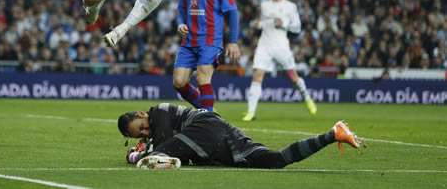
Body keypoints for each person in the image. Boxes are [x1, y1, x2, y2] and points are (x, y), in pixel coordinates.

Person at [118, 103, 362, 170]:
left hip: (203, 127)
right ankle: (334, 134)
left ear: (142, 114)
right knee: (275, 160)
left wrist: (136, 154)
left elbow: (164, 140)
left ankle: (155, 160)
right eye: (140, 134)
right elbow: (166, 141)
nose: (145, 131)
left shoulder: (158, 111)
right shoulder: (159, 126)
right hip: (221, 130)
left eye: (141, 127)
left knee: (156, 156)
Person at [173, 0, 241, 112]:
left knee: (202, 76)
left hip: (210, 40)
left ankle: (208, 122)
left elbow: (233, 12)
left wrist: (232, 41)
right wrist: (180, 23)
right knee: (179, 82)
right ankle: (209, 112)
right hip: (189, 41)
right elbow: (181, 9)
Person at [243, 0, 316, 121]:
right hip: (264, 44)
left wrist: (284, 23)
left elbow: (297, 27)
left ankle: (306, 97)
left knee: (293, 78)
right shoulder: (264, 5)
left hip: (281, 46)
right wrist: (257, 24)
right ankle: (250, 112)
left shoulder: (290, 6)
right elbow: (264, 23)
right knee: (257, 75)